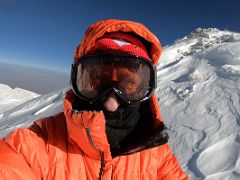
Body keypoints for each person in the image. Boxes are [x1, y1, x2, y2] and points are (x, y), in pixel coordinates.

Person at [0, 19, 188, 179]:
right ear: (77, 79)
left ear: (146, 89)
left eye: (128, 83)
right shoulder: (30, 147)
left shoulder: (159, 158)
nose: (111, 104)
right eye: (96, 79)